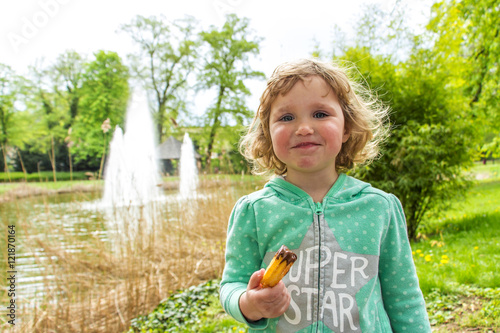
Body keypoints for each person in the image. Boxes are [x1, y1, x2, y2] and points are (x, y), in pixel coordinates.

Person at [220, 58, 431, 332]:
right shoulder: (254, 211)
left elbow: (405, 298)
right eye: (286, 117)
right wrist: (248, 303)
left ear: (347, 127)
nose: (304, 128)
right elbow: (231, 285)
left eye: (320, 114)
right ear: (267, 133)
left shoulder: (378, 208)